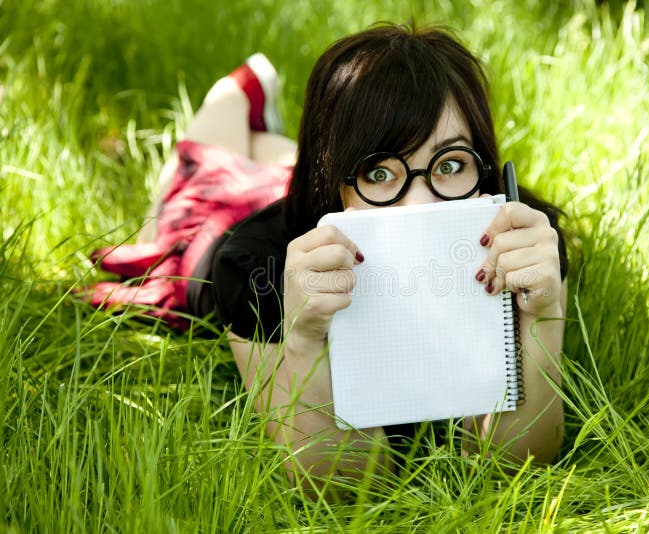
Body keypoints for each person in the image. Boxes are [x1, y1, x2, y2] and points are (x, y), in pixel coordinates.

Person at [92, 22, 568, 483]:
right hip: (227, 217)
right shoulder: (257, 266)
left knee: (272, 157)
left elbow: (516, 463)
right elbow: (341, 485)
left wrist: (541, 318)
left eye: (449, 163)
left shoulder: (521, 239)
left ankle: (275, 142)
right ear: (334, 186)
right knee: (203, 172)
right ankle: (242, 90)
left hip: (309, 186)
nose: (419, 205)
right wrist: (302, 341)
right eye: (377, 173)